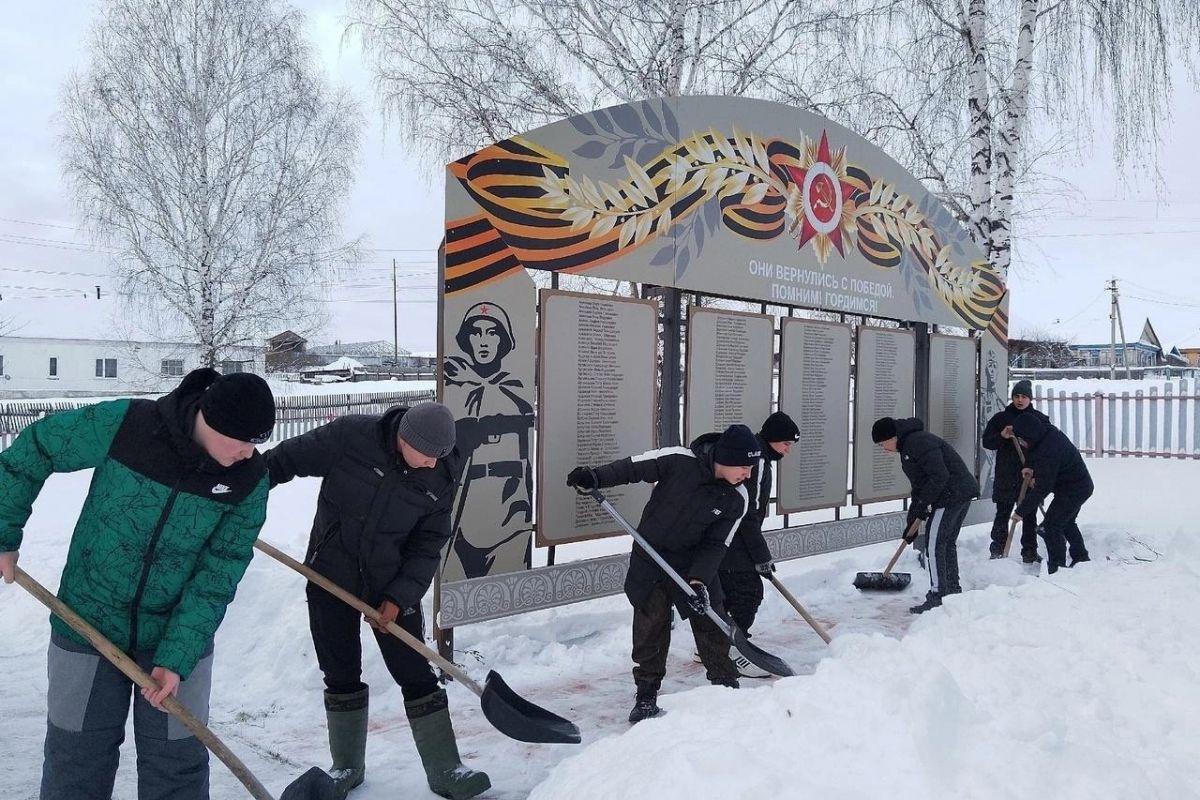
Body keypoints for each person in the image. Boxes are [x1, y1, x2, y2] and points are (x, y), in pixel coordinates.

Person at [0, 368, 275, 800]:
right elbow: (36, 447)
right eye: (242, 441)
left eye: (256, 443)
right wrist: (4, 533)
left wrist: (178, 657)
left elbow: (219, 572)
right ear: (210, 419)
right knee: (76, 761)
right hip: (85, 623)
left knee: (178, 768)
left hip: (177, 635)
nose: (249, 453)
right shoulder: (129, 425)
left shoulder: (248, 482)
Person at [264, 401, 490, 800]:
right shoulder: (349, 437)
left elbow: (428, 545)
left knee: (415, 672)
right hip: (329, 576)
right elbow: (283, 461)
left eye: (439, 458)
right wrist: (237, 495)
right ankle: (347, 766)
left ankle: (445, 769)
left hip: (391, 583)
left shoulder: (441, 473)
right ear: (405, 438)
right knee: (340, 671)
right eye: (426, 456)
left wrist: (398, 597)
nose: (431, 465)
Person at [566, 424, 755, 723]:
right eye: (744, 466)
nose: (748, 473)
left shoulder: (738, 498)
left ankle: (725, 687)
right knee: (650, 627)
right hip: (650, 557)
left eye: (751, 467)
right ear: (725, 458)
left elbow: (718, 543)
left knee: (712, 623)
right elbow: (633, 468)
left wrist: (699, 582)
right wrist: (596, 476)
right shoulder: (680, 460)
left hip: (692, 565)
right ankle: (646, 695)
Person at [442, 301, 535, 580]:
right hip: (464, 501)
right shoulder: (455, 385)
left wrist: (473, 380)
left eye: (492, 333)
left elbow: (519, 411)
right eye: (476, 332)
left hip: (507, 502)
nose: (484, 341)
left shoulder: (512, 383)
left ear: (503, 340)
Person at [712, 411, 799, 679]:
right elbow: (748, 511)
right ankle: (734, 651)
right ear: (772, 440)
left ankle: (716, 644)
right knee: (748, 594)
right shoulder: (757, 461)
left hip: (731, 536)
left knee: (729, 593)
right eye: (786, 444)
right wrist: (760, 555)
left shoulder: (758, 457)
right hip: (736, 538)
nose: (788, 451)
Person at [872, 416, 980, 614]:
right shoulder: (909, 446)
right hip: (957, 493)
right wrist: (912, 521)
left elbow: (940, 476)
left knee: (934, 545)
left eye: (882, 443)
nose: (882, 448)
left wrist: (924, 505)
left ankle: (939, 595)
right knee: (945, 543)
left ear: (892, 437)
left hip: (951, 496)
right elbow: (919, 487)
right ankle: (952, 592)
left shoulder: (917, 442)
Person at [1011, 412, 1093, 574]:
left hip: (1075, 489)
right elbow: (1034, 450)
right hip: (1076, 485)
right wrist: (1029, 465)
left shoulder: (1049, 451)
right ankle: (1081, 558)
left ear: (1029, 435)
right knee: (1066, 522)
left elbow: (1043, 488)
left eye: (1021, 439)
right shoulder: (1045, 433)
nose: (1021, 443)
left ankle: (1057, 570)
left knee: (1051, 526)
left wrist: (1021, 511)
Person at [981, 379, 1050, 562]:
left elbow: (1046, 445)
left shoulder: (1039, 420)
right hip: (1006, 473)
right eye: (1016, 396)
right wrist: (1002, 436)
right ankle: (997, 550)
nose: (1020, 400)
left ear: (1030, 398)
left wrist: (1038, 471)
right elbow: (987, 442)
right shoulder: (1001, 419)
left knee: (1029, 514)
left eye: (1024, 396)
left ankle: (1029, 552)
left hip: (1029, 473)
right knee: (1002, 512)